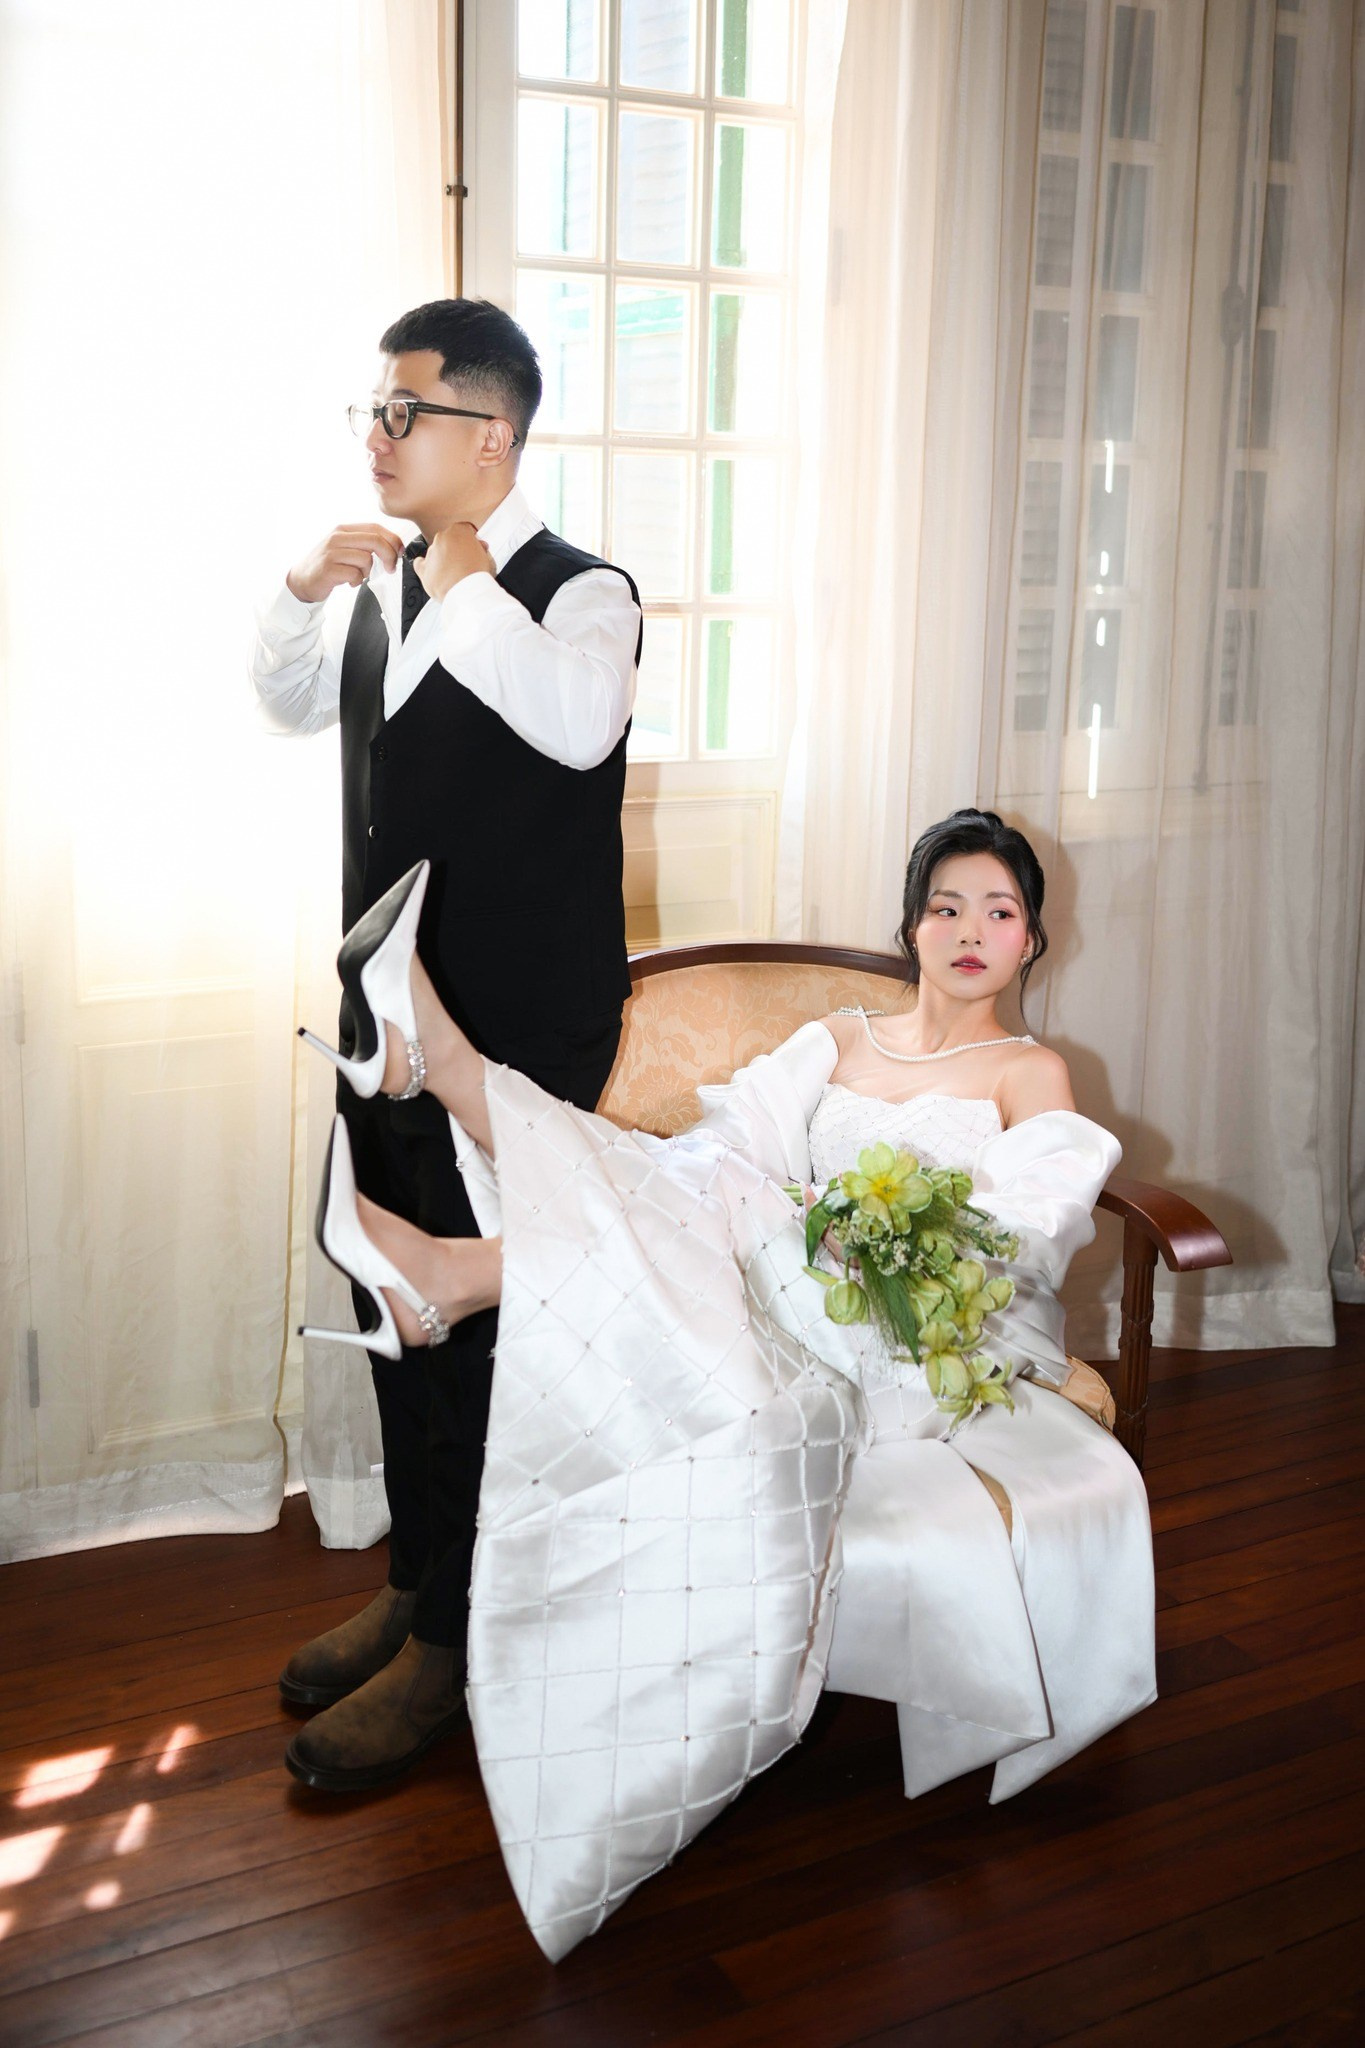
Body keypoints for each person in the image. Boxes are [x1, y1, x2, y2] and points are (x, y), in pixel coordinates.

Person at [299, 808, 1156, 1959]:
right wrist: (792, 1221)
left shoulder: (1027, 1068)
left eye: (998, 912)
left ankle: (446, 1176)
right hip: (784, 1299)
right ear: (909, 926)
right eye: (946, 905)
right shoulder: (836, 1039)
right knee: (691, 1185)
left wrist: (869, 1236)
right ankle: (441, 1156)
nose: (969, 930)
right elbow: (721, 1155)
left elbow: (1031, 1227)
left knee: (724, 1212)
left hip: (926, 1338)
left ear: (1031, 940)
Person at [249, 298, 642, 1791]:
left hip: (517, 1038)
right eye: (372, 409)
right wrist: (304, 589)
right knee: (390, 1300)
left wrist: (466, 580)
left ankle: (457, 1648)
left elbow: (575, 726)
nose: (376, 435)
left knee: (481, 1342)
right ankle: (416, 1580)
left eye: (403, 411)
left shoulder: (582, 593)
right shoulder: (380, 588)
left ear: (493, 435)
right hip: (382, 1024)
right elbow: (287, 698)